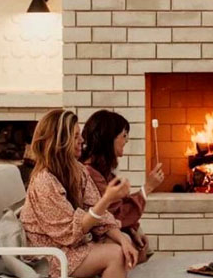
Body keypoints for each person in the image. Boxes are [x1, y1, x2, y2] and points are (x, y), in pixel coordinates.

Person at [20, 109, 139, 278]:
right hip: (50, 255)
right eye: (76, 136)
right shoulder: (44, 181)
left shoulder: (77, 170)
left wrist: (122, 239)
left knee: (122, 243)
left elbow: (99, 215)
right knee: (115, 255)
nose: (82, 140)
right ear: (60, 141)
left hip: (69, 246)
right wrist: (107, 199)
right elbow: (70, 233)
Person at [81, 109, 165, 264]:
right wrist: (148, 187)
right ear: (109, 139)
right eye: (124, 136)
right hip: (95, 237)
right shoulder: (90, 173)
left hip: (109, 230)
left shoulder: (104, 171)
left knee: (140, 241)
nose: (127, 140)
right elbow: (116, 215)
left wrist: (134, 229)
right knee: (131, 244)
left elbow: (120, 209)